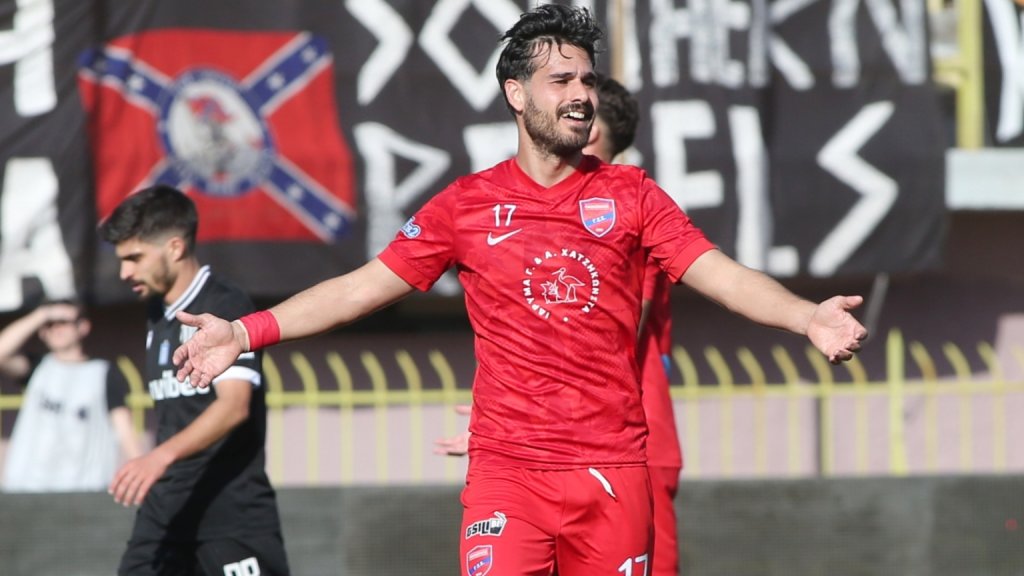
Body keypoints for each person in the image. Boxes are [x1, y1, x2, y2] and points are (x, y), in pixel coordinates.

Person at [172, 5, 867, 575]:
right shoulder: (465, 206)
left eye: (586, 80)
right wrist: (244, 331)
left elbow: (722, 273)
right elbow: (360, 289)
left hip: (613, 471)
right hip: (508, 473)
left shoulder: (632, 195)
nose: (581, 95)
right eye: (561, 80)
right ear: (516, 94)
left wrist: (806, 317)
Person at [432, 74, 685, 576]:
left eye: (582, 94)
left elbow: (611, 329)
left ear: (598, 135)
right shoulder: (511, 207)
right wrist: (513, 422)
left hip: (628, 447)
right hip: (546, 451)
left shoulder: (632, 208)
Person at [98, 185, 290, 576]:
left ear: (175, 248)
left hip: (230, 516)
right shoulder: (158, 312)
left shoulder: (224, 305)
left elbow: (234, 406)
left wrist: (159, 456)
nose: (125, 273)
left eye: (134, 258)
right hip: (166, 514)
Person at [0, 299, 141, 492]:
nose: (56, 329)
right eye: (50, 324)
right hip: (28, 488)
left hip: (83, 490)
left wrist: (140, 472)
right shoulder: (38, 368)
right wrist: (41, 314)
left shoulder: (103, 372)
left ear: (83, 327)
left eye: (63, 322)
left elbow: (124, 429)